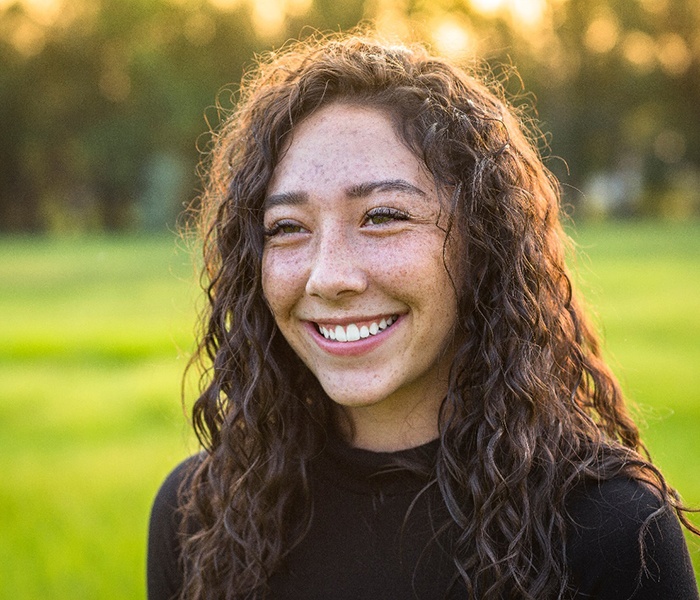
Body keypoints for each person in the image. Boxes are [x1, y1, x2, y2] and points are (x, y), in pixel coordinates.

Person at [147, 32, 699, 600]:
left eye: (382, 216)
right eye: (288, 227)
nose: (328, 276)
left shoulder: (609, 529)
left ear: (482, 244)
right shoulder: (201, 514)